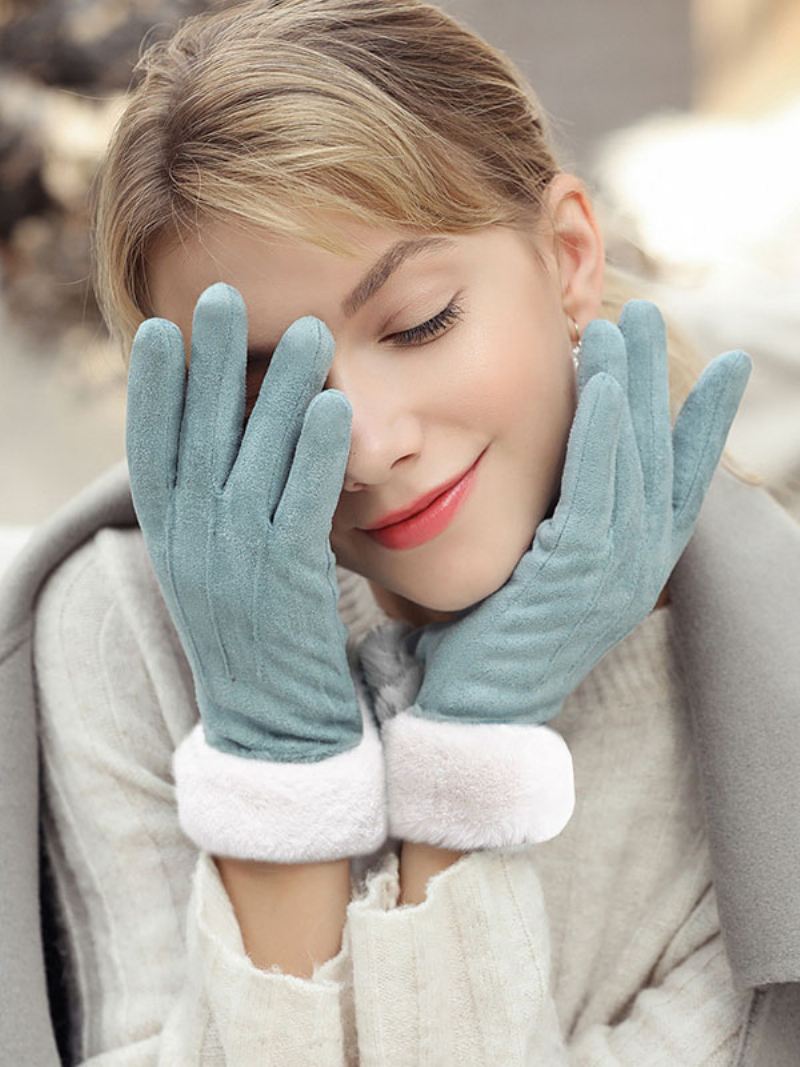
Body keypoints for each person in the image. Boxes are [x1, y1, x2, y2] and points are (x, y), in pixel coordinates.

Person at [4, 1, 799, 1063]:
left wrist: (467, 772)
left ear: (566, 256)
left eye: (419, 323)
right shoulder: (120, 625)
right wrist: (273, 768)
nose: (368, 446)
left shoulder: (761, 697)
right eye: (268, 387)